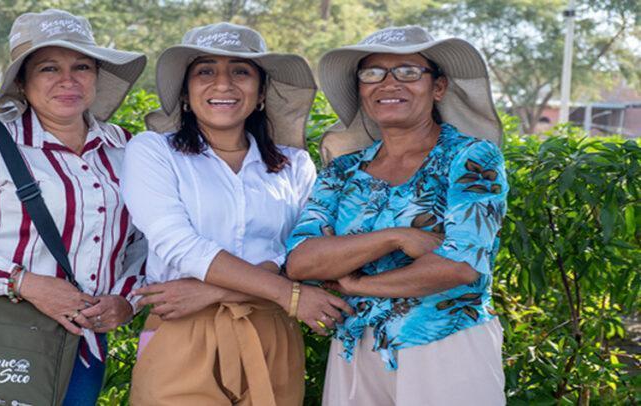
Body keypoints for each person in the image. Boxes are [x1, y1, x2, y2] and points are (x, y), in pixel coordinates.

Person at [0, 9, 147, 405]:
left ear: (96, 75)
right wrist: (25, 283)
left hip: (84, 345)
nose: (68, 80)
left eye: (82, 66)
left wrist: (127, 300)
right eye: (49, 68)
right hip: (2, 338)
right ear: (22, 81)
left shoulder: (126, 149)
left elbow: (144, 241)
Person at [121, 22, 352, 405]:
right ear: (184, 93)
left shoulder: (295, 165)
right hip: (182, 330)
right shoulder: (153, 152)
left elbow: (303, 254)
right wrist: (287, 293)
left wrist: (214, 290)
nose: (223, 84)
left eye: (240, 71)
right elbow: (179, 245)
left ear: (261, 93)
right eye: (205, 71)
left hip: (271, 330)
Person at [286, 26, 508, 405]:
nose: (389, 83)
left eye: (407, 71)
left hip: (445, 341)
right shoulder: (343, 171)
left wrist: (358, 285)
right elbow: (301, 260)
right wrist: (395, 237)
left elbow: (460, 266)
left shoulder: (470, 158)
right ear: (361, 89)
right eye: (373, 73)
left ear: (438, 87)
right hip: (357, 346)